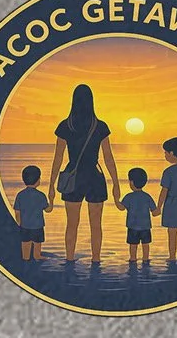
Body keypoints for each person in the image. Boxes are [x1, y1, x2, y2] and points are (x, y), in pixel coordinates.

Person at [48, 83, 120, 264]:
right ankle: (96, 261)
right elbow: (108, 158)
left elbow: (57, 159)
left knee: (72, 225)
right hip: (95, 178)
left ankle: (70, 260)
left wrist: (51, 186)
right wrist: (116, 184)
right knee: (96, 225)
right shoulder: (100, 126)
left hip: (73, 177)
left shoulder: (66, 126)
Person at [11, 164, 52, 262]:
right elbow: (48, 209)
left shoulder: (20, 195)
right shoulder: (41, 195)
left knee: (25, 243)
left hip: (25, 226)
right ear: (38, 180)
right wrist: (52, 199)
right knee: (37, 243)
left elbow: (17, 211)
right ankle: (37, 256)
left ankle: (26, 258)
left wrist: (19, 223)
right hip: (37, 226)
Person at [119, 167, 159, 264]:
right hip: (145, 227)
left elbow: (121, 207)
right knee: (146, 244)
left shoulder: (129, 197)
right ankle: (145, 259)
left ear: (131, 182)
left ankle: (133, 259)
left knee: (133, 245)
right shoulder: (147, 196)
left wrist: (116, 199)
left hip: (132, 227)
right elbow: (155, 211)